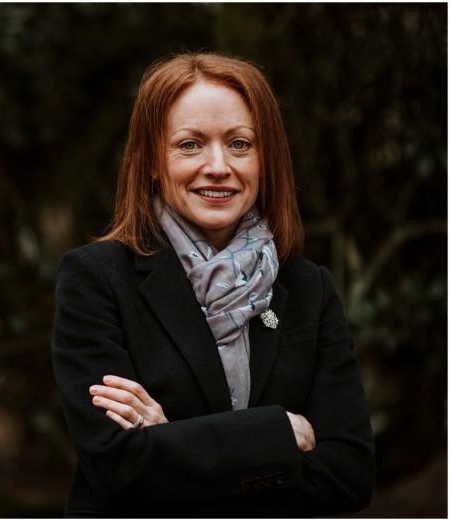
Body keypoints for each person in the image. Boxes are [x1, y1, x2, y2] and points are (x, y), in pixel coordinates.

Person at [50, 52, 376, 518]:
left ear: (266, 160)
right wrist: (275, 435)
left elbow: (349, 476)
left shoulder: (309, 288)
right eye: (189, 145)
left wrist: (172, 441)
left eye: (240, 144)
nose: (218, 165)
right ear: (152, 162)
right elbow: (118, 466)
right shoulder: (96, 279)